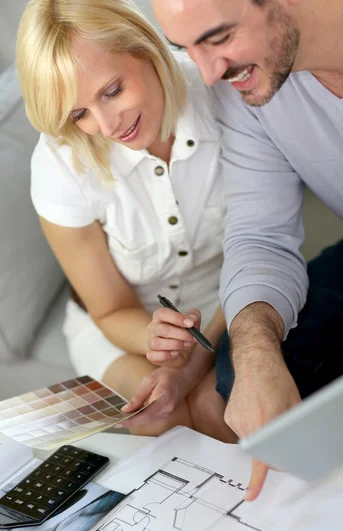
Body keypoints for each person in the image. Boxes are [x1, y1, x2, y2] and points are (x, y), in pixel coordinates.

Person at [136, 0, 343, 498]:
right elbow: (260, 235)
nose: (209, 75)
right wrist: (257, 358)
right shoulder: (247, 88)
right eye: (186, 48)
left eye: (216, 38)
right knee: (247, 358)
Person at [16, 0, 234, 441]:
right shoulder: (60, 162)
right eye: (79, 114)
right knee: (163, 422)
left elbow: (259, 248)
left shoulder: (221, 94)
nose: (107, 125)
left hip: (230, 303)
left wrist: (192, 369)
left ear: (146, 48)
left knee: (219, 411)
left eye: (112, 91)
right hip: (122, 325)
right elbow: (111, 309)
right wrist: (151, 337)